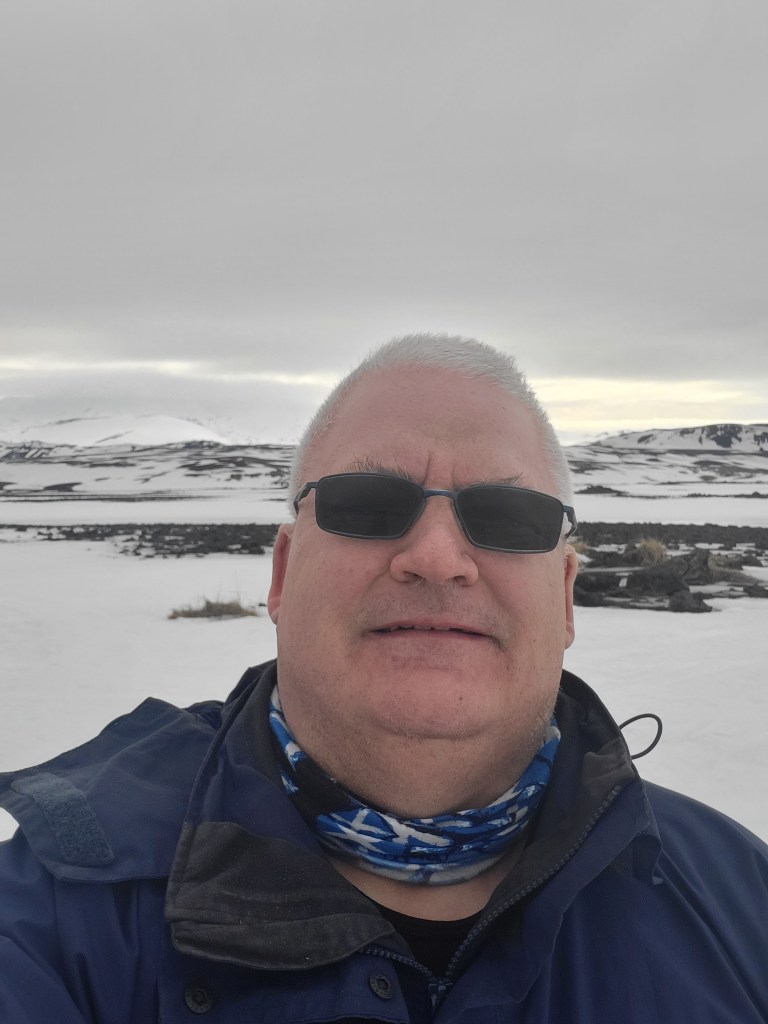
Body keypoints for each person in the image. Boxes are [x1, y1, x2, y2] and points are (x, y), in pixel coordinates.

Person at [1, 333, 766, 1023]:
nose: (435, 557)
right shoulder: (57, 920)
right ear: (282, 574)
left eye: (508, 516)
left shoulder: (741, 900)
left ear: (565, 597)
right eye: (368, 505)